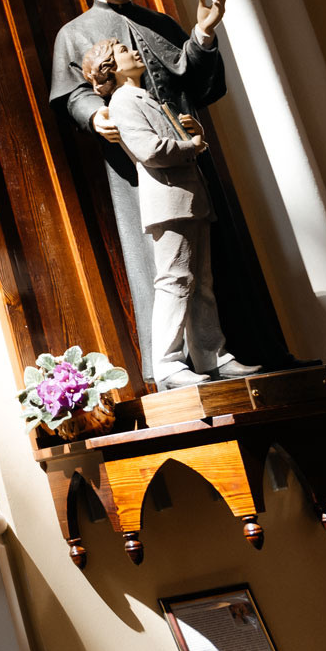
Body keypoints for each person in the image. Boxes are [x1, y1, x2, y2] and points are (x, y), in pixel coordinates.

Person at [50, 0, 261, 381]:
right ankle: (168, 364)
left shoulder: (157, 22)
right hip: (135, 169)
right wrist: (94, 116)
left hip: (186, 164)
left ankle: (212, 354)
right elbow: (71, 95)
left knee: (202, 267)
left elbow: (196, 81)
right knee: (165, 268)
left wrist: (203, 33)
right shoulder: (74, 34)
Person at [81, 38, 243, 389]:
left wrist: (192, 135)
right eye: (123, 51)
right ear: (110, 67)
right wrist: (191, 146)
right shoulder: (123, 101)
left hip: (186, 199)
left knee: (200, 282)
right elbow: (150, 150)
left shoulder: (142, 97)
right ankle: (168, 365)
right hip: (169, 202)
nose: (133, 52)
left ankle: (211, 357)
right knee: (175, 282)